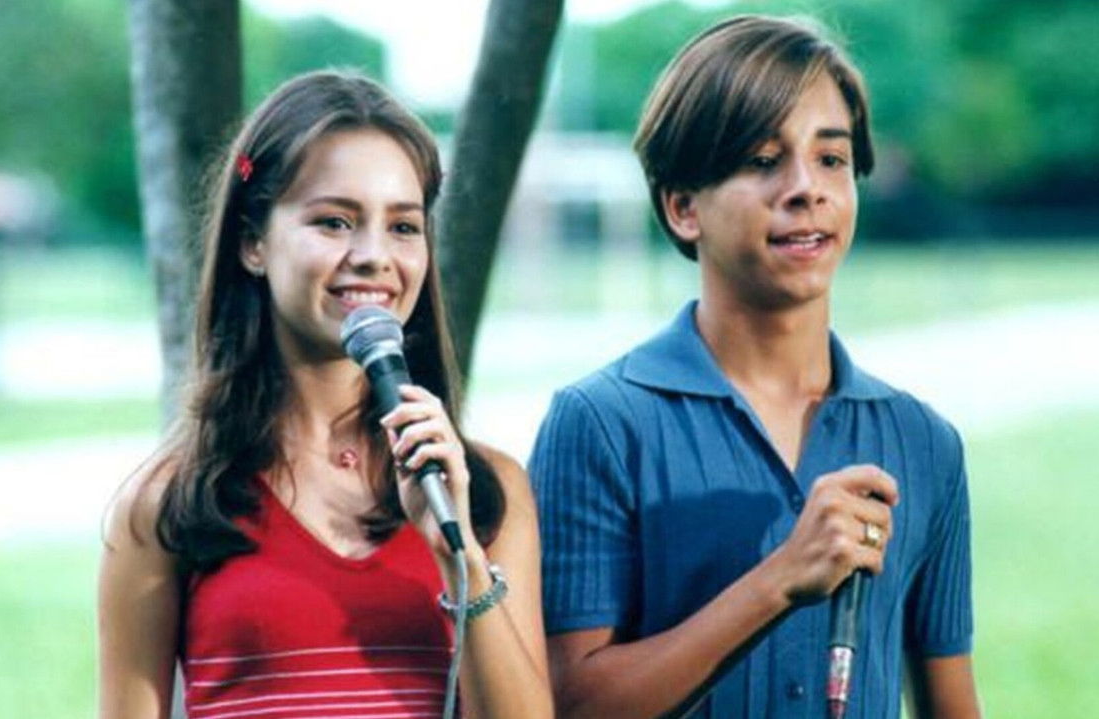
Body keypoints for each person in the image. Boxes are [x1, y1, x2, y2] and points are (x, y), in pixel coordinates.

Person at [530, 16, 981, 719]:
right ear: (683, 208)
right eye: (764, 159)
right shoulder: (599, 423)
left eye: (831, 159)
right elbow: (564, 704)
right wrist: (778, 581)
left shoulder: (925, 442)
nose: (807, 188)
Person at [99, 71, 552, 719]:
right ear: (253, 243)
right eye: (335, 221)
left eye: (403, 226)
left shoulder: (484, 487)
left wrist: (463, 560)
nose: (373, 255)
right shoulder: (166, 504)